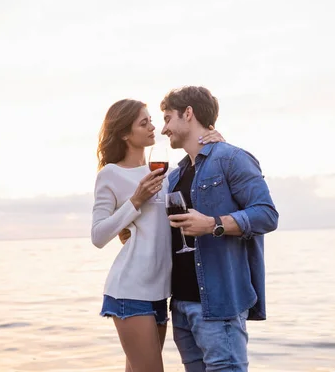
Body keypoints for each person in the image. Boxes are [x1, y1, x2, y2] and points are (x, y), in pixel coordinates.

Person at [91, 98, 223, 372]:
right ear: (126, 134)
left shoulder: (172, 174)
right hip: (130, 290)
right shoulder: (111, 174)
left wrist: (216, 142)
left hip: (161, 292)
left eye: (152, 120)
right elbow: (98, 235)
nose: (154, 127)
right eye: (144, 122)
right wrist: (136, 201)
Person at [159, 86, 279, 372]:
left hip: (218, 305)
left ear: (188, 113)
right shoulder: (175, 175)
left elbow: (266, 214)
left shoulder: (231, 159)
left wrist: (213, 224)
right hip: (181, 307)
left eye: (167, 118)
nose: (164, 129)